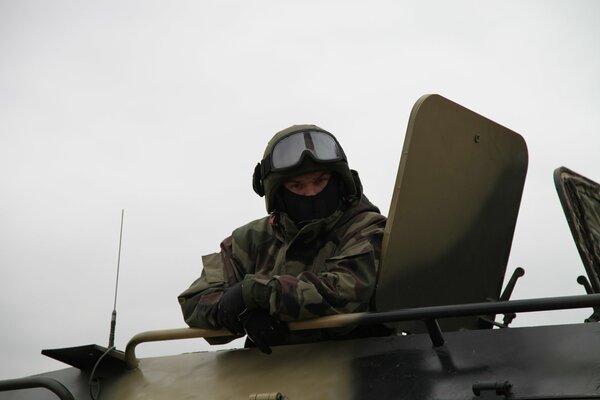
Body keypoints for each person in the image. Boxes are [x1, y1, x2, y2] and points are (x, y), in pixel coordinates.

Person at [178, 124, 387, 353]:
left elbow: (344, 294)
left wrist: (254, 294)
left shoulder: (366, 227)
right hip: (270, 370)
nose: (311, 193)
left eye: (320, 181)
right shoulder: (251, 239)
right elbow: (195, 301)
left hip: (361, 363)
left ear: (338, 179)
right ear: (277, 191)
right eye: (296, 185)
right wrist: (245, 313)